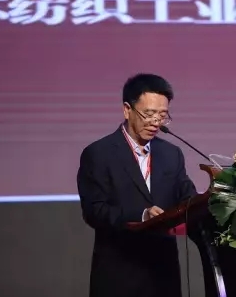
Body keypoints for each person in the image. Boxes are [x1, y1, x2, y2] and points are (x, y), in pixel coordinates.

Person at [77, 73, 198, 297]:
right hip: (119, 275)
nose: (156, 122)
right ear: (127, 110)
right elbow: (95, 211)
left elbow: (187, 195)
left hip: (164, 277)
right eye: (149, 114)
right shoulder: (98, 154)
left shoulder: (171, 154)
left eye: (162, 116)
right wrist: (142, 216)